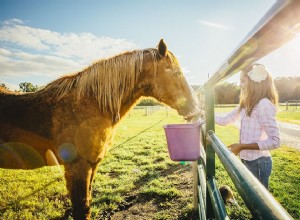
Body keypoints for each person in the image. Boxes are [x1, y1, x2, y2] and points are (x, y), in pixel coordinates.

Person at [215, 63, 280, 189]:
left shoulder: (263, 104)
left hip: (259, 163)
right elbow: (225, 119)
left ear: (254, 82)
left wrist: (242, 146)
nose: (239, 85)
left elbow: (275, 141)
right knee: (252, 200)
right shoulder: (246, 104)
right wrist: (203, 114)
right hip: (247, 160)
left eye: (242, 81)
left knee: (259, 203)